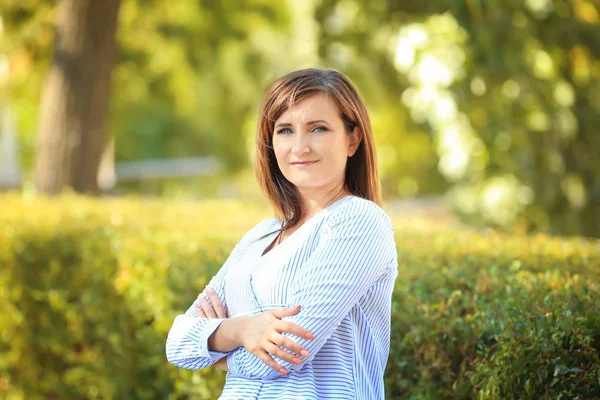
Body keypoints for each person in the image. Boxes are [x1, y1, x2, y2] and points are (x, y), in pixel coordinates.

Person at [166, 68, 398, 399]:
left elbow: (282, 355)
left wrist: (216, 349)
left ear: (352, 139)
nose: (300, 147)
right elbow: (178, 344)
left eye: (318, 128)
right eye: (285, 130)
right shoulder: (259, 237)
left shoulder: (360, 222)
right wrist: (245, 330)